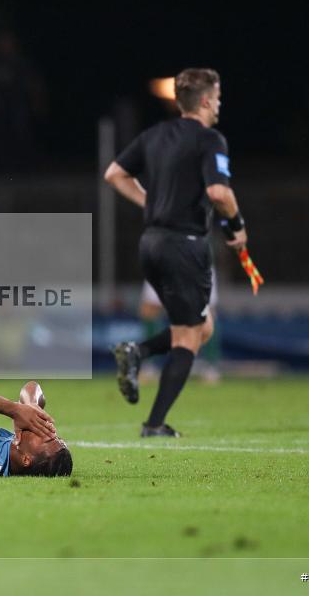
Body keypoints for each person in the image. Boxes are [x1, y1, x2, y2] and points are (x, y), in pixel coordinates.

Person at [104, 68, 248, 437]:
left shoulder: (154, 136)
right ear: (204, 101)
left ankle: (137, 351)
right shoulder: (210, 139)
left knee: (201, 327)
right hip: (184, 246)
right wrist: (237, 226)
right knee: (189, 336)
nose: (219, 104)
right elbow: (219, 194)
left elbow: (114, 174)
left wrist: (149, 202)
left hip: (151, 243)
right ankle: (154, 424)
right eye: (217, 97)